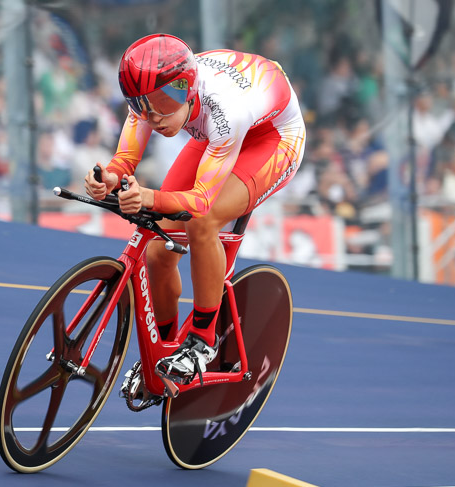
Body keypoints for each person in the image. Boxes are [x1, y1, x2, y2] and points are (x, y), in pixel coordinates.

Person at [84, 34, 306, 384]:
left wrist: (149, 198)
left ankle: (202, 341)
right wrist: (108, 178)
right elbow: (124, 160)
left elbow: (200, 200)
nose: (153, 116)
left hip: (272, 139)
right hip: (217, 136)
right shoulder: (151, 91)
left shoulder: (224, 109)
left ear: (186, 88)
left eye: (162, 103)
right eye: (141, 105)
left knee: (202, 220)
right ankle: (164, 347)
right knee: (157, 246)